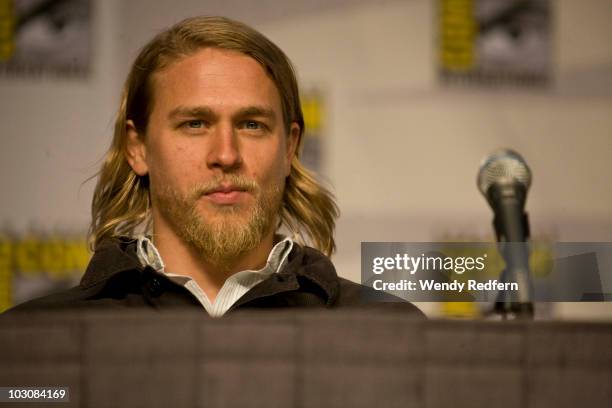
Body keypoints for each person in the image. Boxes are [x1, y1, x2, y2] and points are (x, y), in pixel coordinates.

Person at [7, 16, 423, 317]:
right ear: (138, 148)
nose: (225, 154)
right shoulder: (38, 338)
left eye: (252, 124)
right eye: (194, 124)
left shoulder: (385, 332)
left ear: (290, 147)